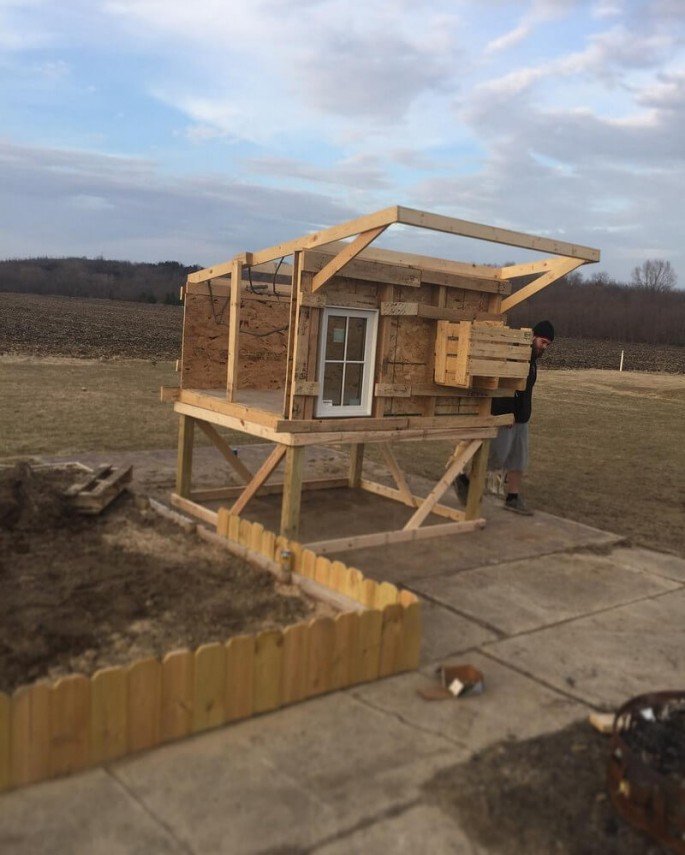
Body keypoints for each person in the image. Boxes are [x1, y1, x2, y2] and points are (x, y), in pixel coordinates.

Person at [455, 320, 555, 515]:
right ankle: (464, 480)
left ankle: (513, 497)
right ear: (533, 336)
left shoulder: (532, 360)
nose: (545, 347)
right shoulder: (514, 353)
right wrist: (505, 413)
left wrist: (522, 415)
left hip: (521, 420)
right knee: (495, 457)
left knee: (519, 460)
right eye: (543, 342)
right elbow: (502, 384)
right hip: (506, 418)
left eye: (548, 344)